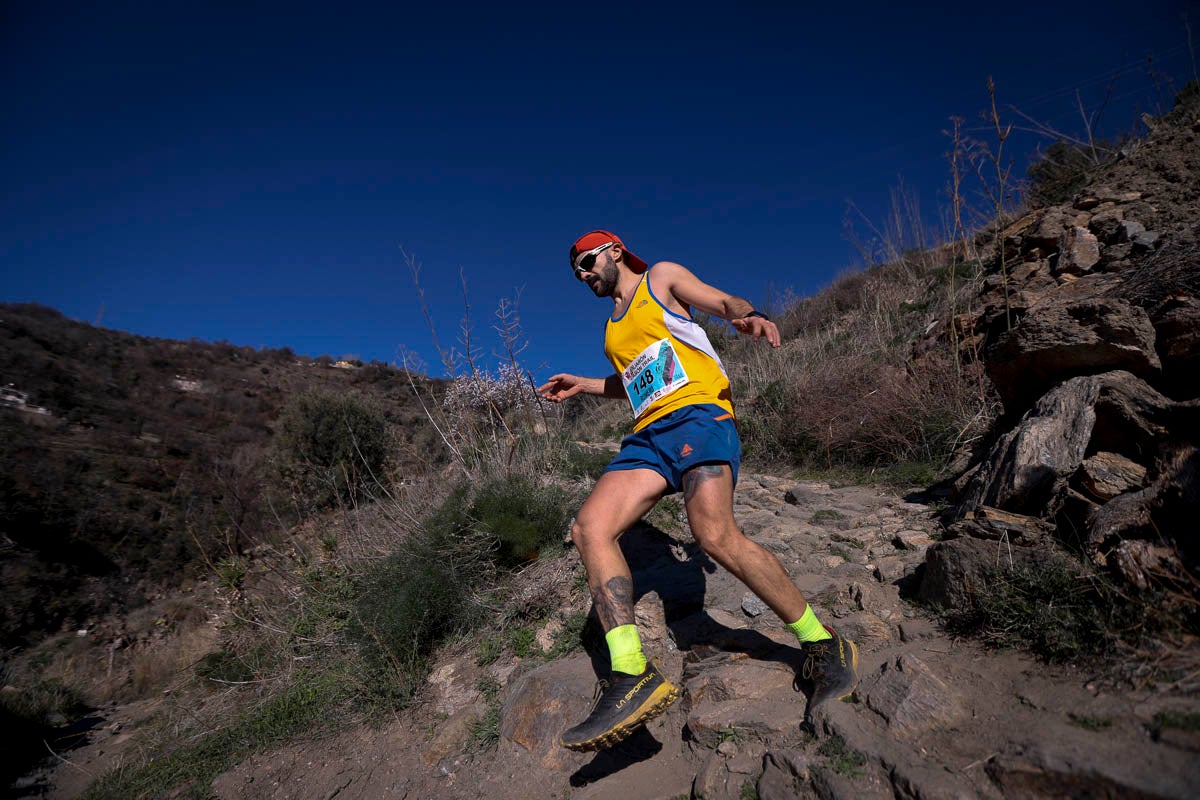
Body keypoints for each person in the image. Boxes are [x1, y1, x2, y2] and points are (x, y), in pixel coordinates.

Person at [538, 230, 860, 753]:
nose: (581, 273)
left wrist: (746, 313)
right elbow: (632, 376)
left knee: (714, 537)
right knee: (589, 528)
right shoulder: (612, 328)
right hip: (646, 436)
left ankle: (822, 644)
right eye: (575, 269)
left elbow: (719, 299)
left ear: (615, 252)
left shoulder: (660, 279)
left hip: (696, 416)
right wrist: (586, 383)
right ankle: (630, 675)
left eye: (587, 261)